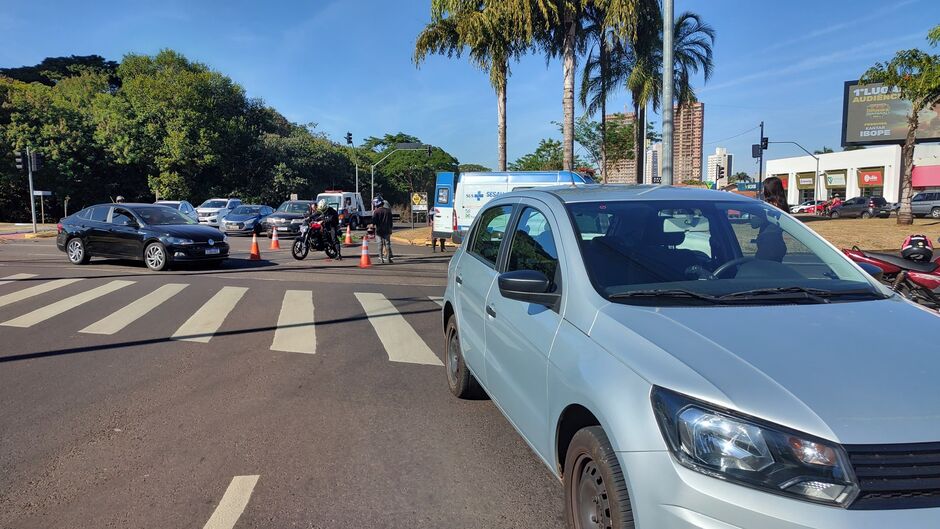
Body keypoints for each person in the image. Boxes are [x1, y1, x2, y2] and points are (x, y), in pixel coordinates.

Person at [756, 176, 788, 262]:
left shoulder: (770, 207)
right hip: (777, 243)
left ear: (769, 189)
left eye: (764, 187)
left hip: (769, 245)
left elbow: (755, 223)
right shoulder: (782, 205)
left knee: (762, 269)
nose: (762, 190)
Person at [372, 198, 394, 264]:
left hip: (379, 230)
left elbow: (374, 222)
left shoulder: (376, 212)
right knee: (387, 243)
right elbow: (391, 222)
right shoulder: (388, 211)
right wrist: (390, 228)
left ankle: (381, 258)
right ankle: (388, 258)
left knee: (380, 244)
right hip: (387, 229)